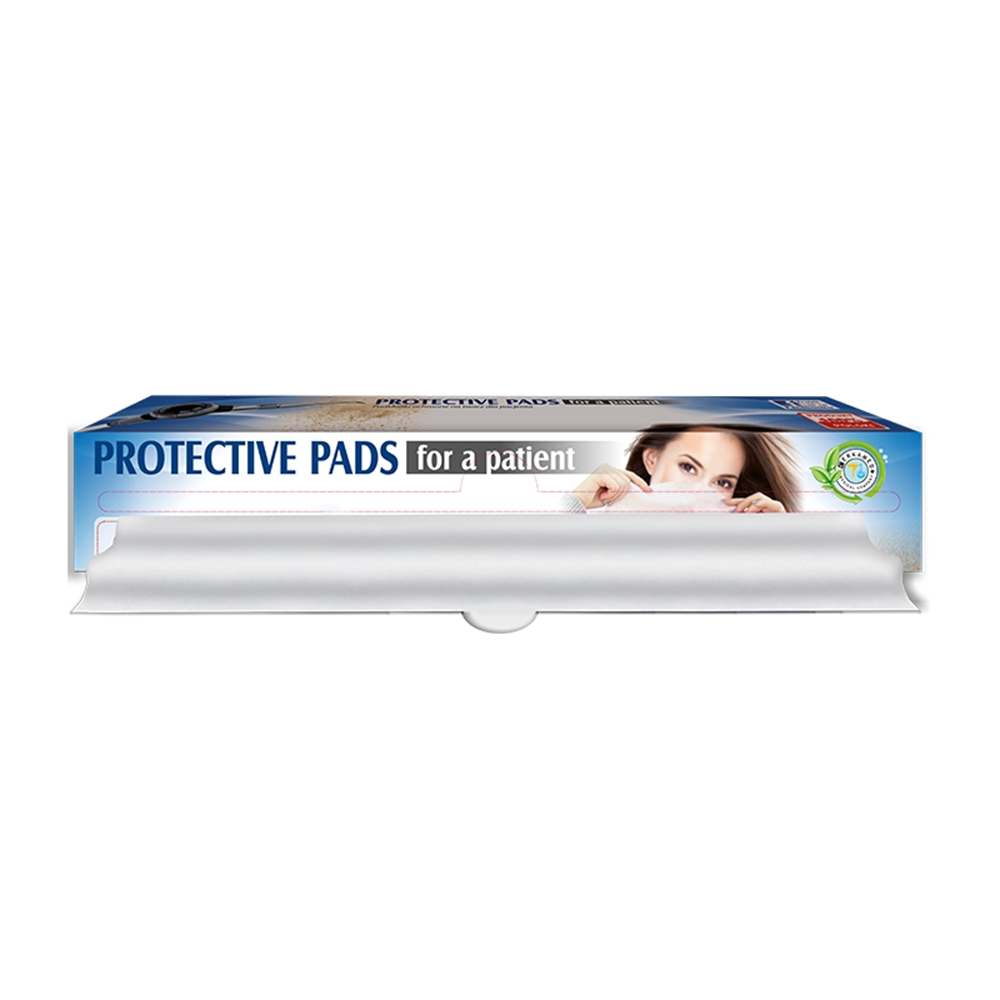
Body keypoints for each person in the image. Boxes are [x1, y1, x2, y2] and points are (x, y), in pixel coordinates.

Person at [566, 424, 801, 512]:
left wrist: (779, 541)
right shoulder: (606, 533)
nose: (699, 491)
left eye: (722, 483)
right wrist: (575, 502)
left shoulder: (733, 554)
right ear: (651, 459)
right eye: (688, 467)